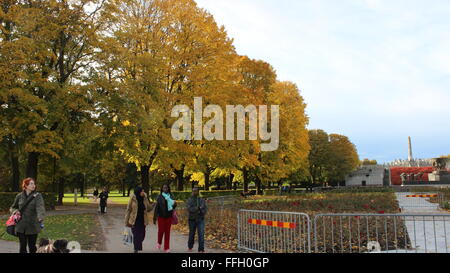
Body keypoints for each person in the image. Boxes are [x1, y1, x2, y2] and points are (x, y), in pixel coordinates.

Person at [9, 177, 46, 253]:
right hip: (20, 225)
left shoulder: (38, 196)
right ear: (25, 185)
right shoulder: (19, 196)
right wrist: (15, 211)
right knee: (22, 246)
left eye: (34, 184)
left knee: (32, 246)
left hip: (33, 225)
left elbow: (40, 207)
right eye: (31, 184)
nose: (33, 185)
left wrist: (40, 216)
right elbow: (13, 207)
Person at [124, 186, 153, 253]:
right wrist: (126, 221)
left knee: (142, 235)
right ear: (138, 192)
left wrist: (153, 205)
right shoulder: (132, 198)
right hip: (134, 220)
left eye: (143, 191)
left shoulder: (144, 198)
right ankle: (136, 249)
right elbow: (128, 210)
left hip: (143, 220)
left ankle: (137, 244)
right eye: (142, 191)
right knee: (136, 235)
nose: (143, 192)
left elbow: (148, 208)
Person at [153, 184, 177, 253]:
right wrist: (154, 218)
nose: (165, 189)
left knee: (167, 232)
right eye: (164, 188)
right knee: (161, 231)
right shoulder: (159, 197)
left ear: (168, 189)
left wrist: (175, 204)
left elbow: (174, 206)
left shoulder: (171, 196)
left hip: (168, 217)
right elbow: (156, 208)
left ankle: (167, 248)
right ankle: (159, 242)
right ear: (162, 189)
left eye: (166, 188)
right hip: (161, 217)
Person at [186, 187, 207, 253]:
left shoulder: (201, 199)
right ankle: (190, 246)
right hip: (192, 219)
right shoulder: (189, 200)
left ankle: (201, 249)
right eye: (193, 191)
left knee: (201, 234)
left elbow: (204, 209)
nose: (194, 192)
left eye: (196, 191)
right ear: (192, 192)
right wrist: (197, 208)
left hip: (200, 219)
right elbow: (189, 209)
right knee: (192, 234)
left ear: (198, 192)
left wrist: (200, 210)